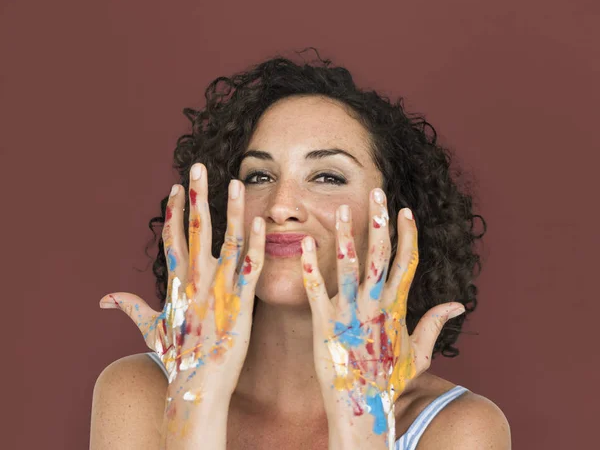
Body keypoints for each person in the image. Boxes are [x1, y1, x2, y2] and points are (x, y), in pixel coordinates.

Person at [90, 49, 511, 449]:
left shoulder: (459, 428)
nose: (281, 206)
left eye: (327, 176)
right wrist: (197, 399)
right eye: (258, 176)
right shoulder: (138, 391)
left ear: (397, 216)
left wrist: (362, 418)